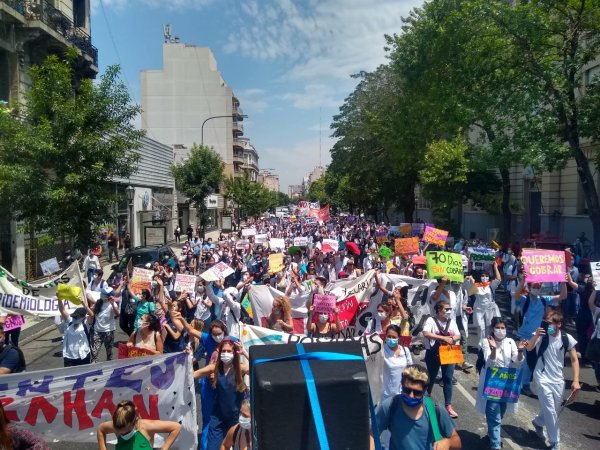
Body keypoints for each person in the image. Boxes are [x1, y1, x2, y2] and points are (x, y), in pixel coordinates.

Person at [370, 364, 461, 450]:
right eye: (407, 390)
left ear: (425, 391)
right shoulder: (390, 406)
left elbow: (457, 441)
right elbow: (372, 434)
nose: (411, 396)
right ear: (401, 386)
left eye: (417, 392)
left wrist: (448, 442)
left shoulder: (435, 409)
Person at [527, 310, 580, 450]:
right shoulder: (541, 335)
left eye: (550, 323)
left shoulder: (566, 338)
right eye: (546, 322)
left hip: (558, 380)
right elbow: (529, 347)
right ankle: (554, 443)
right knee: (550, 411)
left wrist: (575, 380)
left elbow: (574, 360)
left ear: (559, 324)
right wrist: (536, 335)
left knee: (553, 411)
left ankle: (538, 422)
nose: (547, 325)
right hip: (542, 377)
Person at [475, 317, 526, 450]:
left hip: (507, 383)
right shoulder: (486, 342)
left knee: (501, 411)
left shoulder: (510, 342)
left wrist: (520, 351)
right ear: (492, 329)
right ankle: (495, 445)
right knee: (494, 414)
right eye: (498, 327)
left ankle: (491, 435)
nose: (500, 330)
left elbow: (518, 361)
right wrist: (493, 349)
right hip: (492, 382)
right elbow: (490, 363)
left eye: (503, 328)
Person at [513, 276, 566, 396]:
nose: (537, 288)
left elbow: (562, 296)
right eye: (534, 286)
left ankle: (524, 381)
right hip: (526, 334)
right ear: (530, 287)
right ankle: (524, 385)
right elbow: (516, 294)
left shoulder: (544, 299)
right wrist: (522, 281)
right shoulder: (524, 299)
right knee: (526, 360)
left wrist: (563, 283)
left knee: (536, 360)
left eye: (538, 287)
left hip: (539, 335)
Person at [194, 338, 249, 450]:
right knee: (213, 447)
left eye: (229, 351)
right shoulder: (214, 368)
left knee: (235, 446)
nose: (226, 354)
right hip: (218, 416)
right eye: (223, 351)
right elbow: (191, 375)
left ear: (234, 352)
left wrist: (244, 353)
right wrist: (188, 356)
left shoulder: (240, 368)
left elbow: (256, 368)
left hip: (235, 417)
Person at [422, 301, 461, 419]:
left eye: (450, 309)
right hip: (434, 353)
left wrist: (453, 338)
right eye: (446, 309)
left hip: (449, 353)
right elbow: (426, 333)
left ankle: (448, 405)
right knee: (431, 378)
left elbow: (458, 335)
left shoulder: (451, 322)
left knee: (448, 378)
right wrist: (443, 337)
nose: (449, 311)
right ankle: (425, 399)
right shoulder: (431, 320)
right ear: (439, 310)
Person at [97, 399, 181, 450]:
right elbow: (101, 428)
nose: (122, 434)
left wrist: (164, 448)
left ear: (135, 422)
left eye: (126, 432)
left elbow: (176, 427)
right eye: (120, 432)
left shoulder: (146, 426)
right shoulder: (118, 425)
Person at [464, 262, 502, 344]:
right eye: (483, 276)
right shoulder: (476, 285)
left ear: (489, 277)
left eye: (486, 276)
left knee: (488, 327)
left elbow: (498, 279)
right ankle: (481, 344)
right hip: (479, 308)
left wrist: (495, 267)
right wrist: (469, 279)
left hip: (489, 308)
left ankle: (489, 343)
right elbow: (469, 291)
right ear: (480, 277)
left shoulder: (491, 285)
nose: (484, 277)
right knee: (480, 327)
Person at [87, 286, 120, 363]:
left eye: (103, 294)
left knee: (109, 353)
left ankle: (109, 368)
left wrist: (112, 305)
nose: (101, 295)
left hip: (108, 331)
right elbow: (87, 294)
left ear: (108, 296)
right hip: (97, 331)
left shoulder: (113, 305)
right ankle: (94, 369)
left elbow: (117, 314)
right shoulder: (98, 302)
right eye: (102, 293)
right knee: (94, 353)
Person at [381, 324, 413, 403]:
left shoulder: (405, 351)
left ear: (399, 338)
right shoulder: (381, 351)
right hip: (387, 394)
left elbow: (411, 370)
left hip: (403, 393)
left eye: (394, 337)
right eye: (389, 336)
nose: (391, 339)